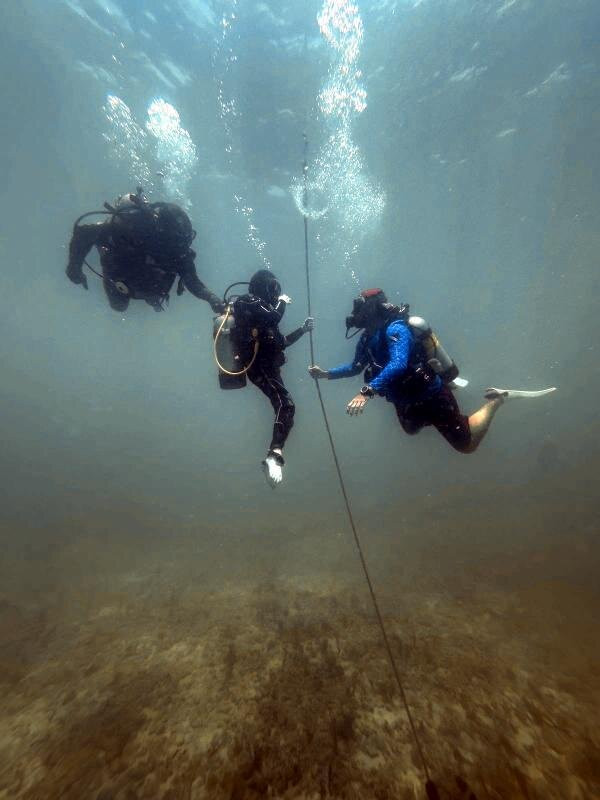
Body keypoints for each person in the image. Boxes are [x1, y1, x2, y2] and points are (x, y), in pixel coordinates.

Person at [309, 288, 555, 453]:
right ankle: (444, 399)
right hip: (404, 402)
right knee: (411, 429)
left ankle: (498, 399)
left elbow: (398, 363)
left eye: (360, 307)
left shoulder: (396, 329)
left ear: (372, 308)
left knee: (465, 445)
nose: (356, 313)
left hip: (430, 395)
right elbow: (355, 367)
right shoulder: (366, 341)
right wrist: (326, 374)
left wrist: (367, 391)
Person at [66, 189, 224, 313]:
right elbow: (84, 233)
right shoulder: (129, 228)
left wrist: (212, 299)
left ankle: (109, 255)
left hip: (149, 286)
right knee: (119, 307)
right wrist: (74, 268)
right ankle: (105, 252)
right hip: (120, 275)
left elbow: (192, 281)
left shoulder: (177, 247)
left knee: (146, 297)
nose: (180, 247)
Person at [233, 269, 313, 487]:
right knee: (285, 406)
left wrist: (303, 330)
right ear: (263, 286)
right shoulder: (247, 301)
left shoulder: (264, 312)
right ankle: (274, 454)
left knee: (286, 407)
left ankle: (275, 453)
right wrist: (282, 301)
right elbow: (273, 316)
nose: (276, 292)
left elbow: (281, 342)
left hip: (268, 366)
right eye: (273, 287)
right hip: (259, 366)